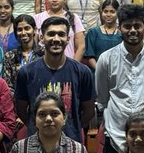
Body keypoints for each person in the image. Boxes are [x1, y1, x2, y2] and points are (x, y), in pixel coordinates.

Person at [95, 3, 144, 153]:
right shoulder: (106, 59)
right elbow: (103, 99)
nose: (132, 31)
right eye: (127, 26)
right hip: (117, 136)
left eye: (137, 26)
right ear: (119, 28)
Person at [14, 15, 95, 144]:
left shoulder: (82, 72)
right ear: (41, 38)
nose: (56, 39)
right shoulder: (26, 72)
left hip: (71, 142)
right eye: (51, 34)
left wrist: (70, 127)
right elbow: (22, 111)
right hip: (36, 143)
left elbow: (89, 112)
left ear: (68, 39)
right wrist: (38, 126)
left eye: (61, 34)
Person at [2, 13, 43, 88]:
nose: (23, 33)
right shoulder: (10, 55)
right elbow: (7, 84)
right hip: (16, 97)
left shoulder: (43, 53)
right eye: (20, 29)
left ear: (34, 30)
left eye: (27, 28)